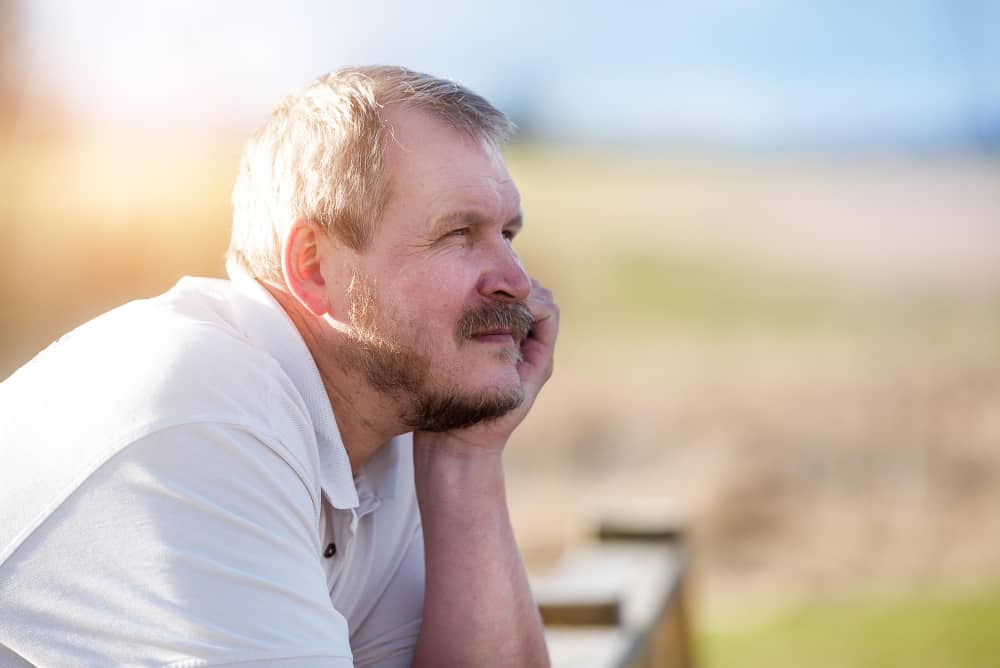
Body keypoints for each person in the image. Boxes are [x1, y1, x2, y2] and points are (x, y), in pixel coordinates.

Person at [0, 66, 557, 667]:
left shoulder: (380, 432)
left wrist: (466, 461)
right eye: (458, 233)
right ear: (315, 266)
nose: (518, 282)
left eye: (507, 233)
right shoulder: (209, 417)